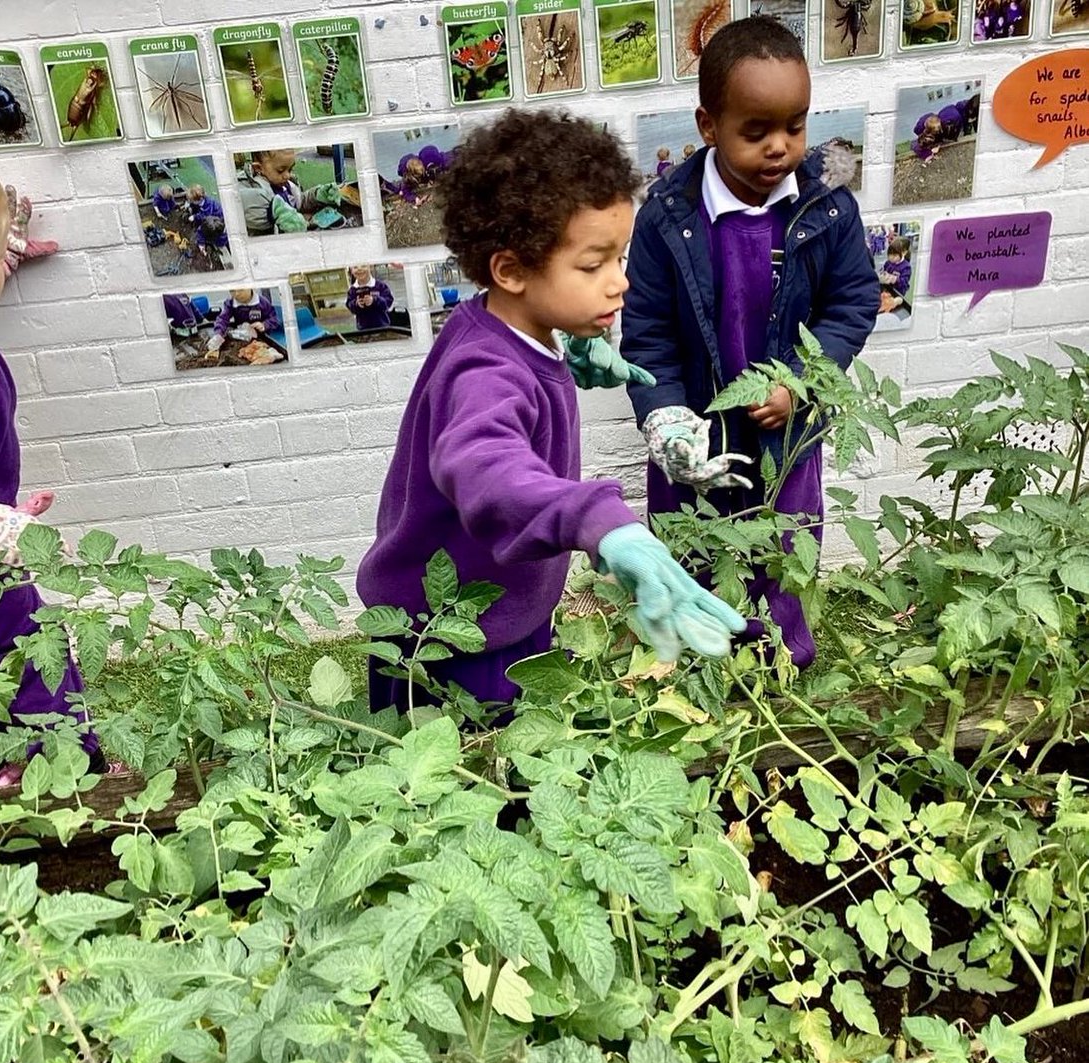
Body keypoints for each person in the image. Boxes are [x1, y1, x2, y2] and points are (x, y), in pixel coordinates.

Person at [356, 109, 746, 713]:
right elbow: (486, 464)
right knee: (467, 785)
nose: (619, 283)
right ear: (510, 269)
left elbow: (523, 361)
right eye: (593, 266)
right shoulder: (487, 373)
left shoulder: (509, 325)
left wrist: (574, 347)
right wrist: (599, 519)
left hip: (505, 605)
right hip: (450, 640)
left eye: (619, 258)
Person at [621, 16, 878, 668]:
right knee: (694, 548)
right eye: (755, 131)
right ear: (708, 125)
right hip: (695, 435)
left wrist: (796, 382)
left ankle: (781, 665)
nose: (779, 148)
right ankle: (696, 663)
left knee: (785, 545)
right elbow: (646, 337)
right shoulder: (666, 218)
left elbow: (850, 306)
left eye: (795, 126)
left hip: (784, 437)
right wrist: (666, 426)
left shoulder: (826, 209)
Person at [0, 158, 106, 785]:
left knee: (34, 629)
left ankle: (68, 748)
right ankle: (24, 768)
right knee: (2, 653)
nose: (5, 274)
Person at [236, 149, 343, 236]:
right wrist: (273, 212)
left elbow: (299, 201)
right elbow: (248, 205)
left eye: (290, 169)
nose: (287, 175)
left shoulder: (286, 185)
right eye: (281, 170)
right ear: (259, 168)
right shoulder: (250, 187)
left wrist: (318, 194)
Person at [205, 288, 281, 360]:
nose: (237, 294)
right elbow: (222, 319)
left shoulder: (263, 303)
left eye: (241, 289)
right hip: (241, 338)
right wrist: (218, 334)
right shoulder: (230, 303)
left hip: (261, 338)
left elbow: (274, 319)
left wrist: (264, 325)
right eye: (232, 291)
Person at [346, 264, 394, 332]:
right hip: (363, 329)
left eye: (363, 266)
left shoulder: (380, 285)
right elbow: (350, 306)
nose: (359, 269)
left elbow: (388, 302)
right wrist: (356, 304)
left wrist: (374, 300)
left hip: (382, 326)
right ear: (351, 271)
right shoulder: (352, 290)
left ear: (370, 267)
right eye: (355, 267)